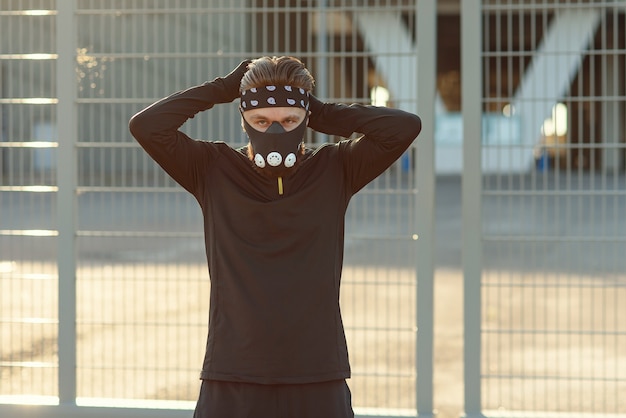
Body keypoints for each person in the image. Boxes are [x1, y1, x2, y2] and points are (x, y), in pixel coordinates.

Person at [129, 56, 421, 418]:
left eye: (290, 121)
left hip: (317, 371)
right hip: (233, 370)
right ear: (244, 120)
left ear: (305, 120)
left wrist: (325, 113)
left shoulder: (336, 168)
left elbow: (405, 127)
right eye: (261, 121)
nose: (275, 132)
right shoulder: (211, 168)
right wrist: (221, 89)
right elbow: (146, 126)